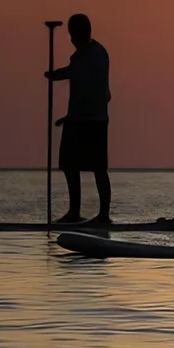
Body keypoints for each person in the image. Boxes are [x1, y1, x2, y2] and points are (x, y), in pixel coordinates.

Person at [44, 13, 112, 224]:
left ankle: (102, 215)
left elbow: (77, 74)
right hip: (82, 119)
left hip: (91, 121)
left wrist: (54, 75)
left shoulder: (93, 55)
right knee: (70, 165)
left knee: (97, 168)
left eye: (73, 34)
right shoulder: (86, 53)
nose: (71, 38)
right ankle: (75, 212)